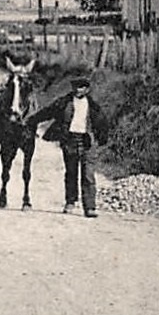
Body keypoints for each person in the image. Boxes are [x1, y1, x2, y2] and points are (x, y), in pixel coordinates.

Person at [27, 74, 112, 217]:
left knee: (88, 175)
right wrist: (32, 120)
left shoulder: (93, 106)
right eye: (76, 87)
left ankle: (90, 207)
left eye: (82, 87)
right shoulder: (64, 102)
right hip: (69, 141)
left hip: (87, 142)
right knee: (71, 173)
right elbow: (48, 112)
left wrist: (102, 138)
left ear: (87, 89)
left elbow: (102, 123)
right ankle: (70, 202)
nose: (78, 90)